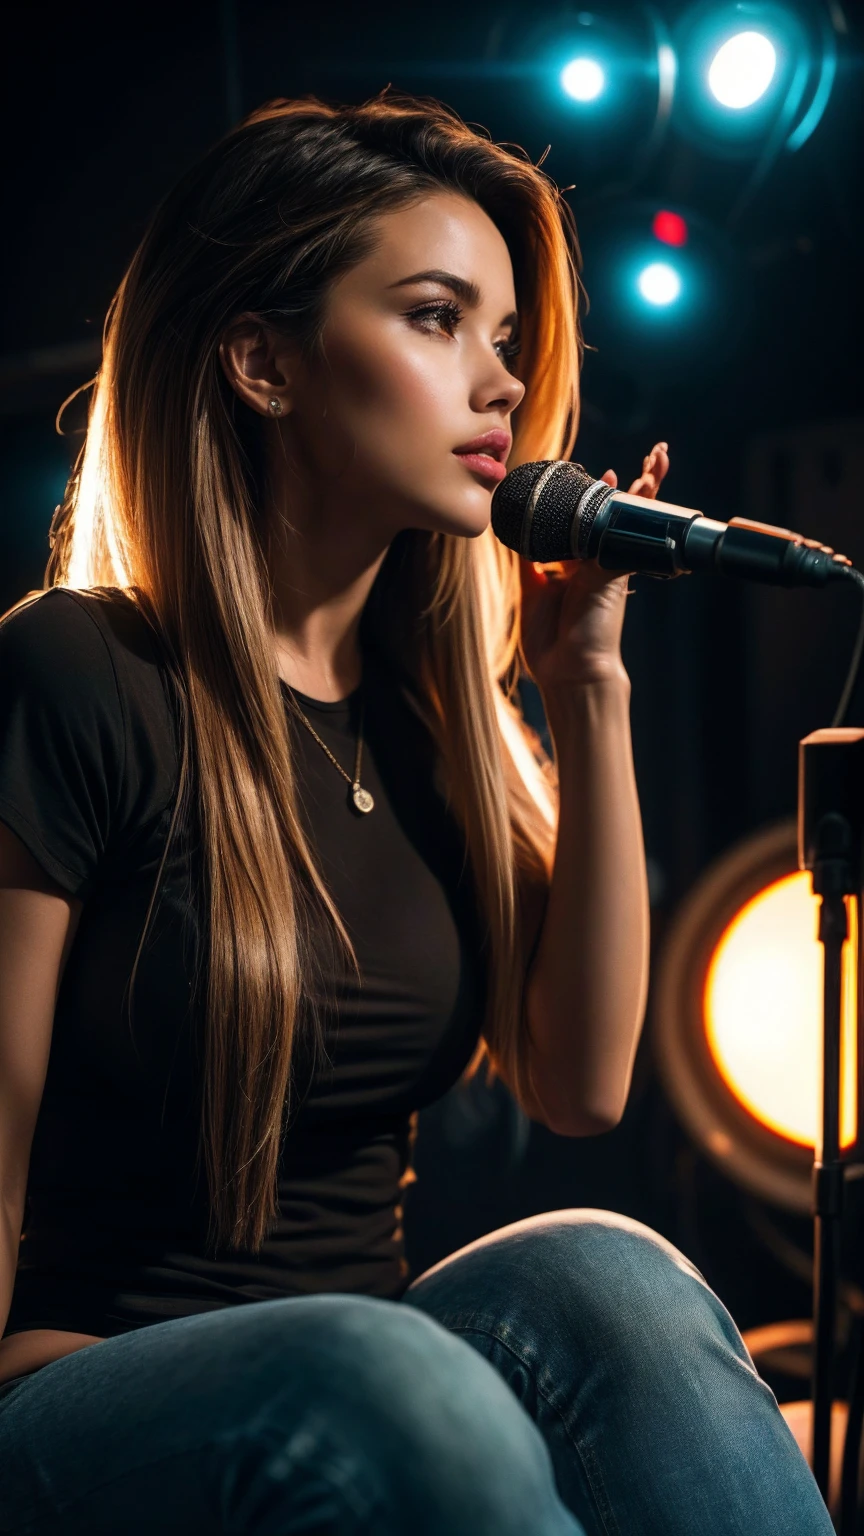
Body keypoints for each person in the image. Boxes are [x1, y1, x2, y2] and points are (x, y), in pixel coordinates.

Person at [0, 92, 832, 1535]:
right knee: (368, 1363)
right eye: (440, 318)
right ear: (261, 362)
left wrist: (588, 683)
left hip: (381, 1382)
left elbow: (582, 1086)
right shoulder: (78, 676)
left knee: (605, 1269)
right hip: (84, 1395)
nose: (500, 383)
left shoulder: (434, 727)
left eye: (506, 338)